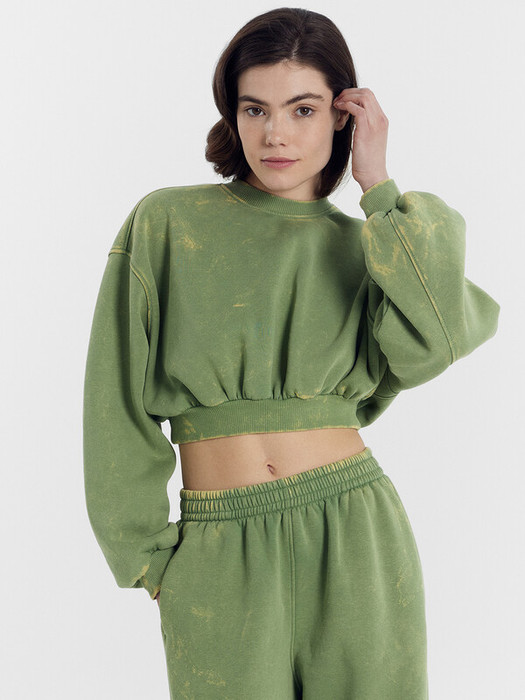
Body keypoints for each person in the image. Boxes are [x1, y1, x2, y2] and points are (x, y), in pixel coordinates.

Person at [82, 7, 500, 699]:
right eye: (255, 109)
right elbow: (114, 399)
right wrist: (146, 557)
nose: (274, 133)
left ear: (342, 116)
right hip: (217, 547)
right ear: (234, 114)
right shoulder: (168, 223)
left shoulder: (368, 247)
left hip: (356, 534)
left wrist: (378, 187)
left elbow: (439, 336)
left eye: (302, 109)